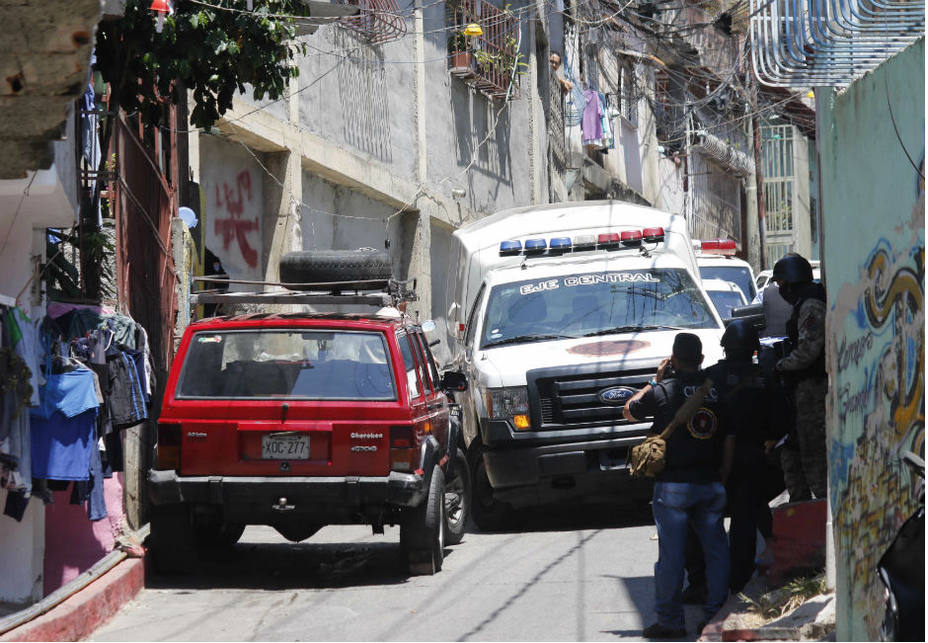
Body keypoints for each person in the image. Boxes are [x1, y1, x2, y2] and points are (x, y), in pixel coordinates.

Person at [624, 333, 734, 639]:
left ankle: (670, 622)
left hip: (672, 487)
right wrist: (720, 478)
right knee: (716, 552)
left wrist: (654, 380)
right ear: (701, 359)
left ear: (673, 359)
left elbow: (629, 409)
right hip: (710, 483)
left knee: (671, 557)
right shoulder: (717, 392)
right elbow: (729, 441)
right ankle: (715, 616)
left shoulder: (663, 390)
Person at [772, 253, 827, 501]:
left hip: (813, 389)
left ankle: (823, 504)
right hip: (804, 388)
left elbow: (809, 351)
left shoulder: (811, 304)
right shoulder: (804, 302)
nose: (781, 289)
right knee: (794, 448)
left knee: (812, 451)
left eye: (782, 283)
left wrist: (781, 366)